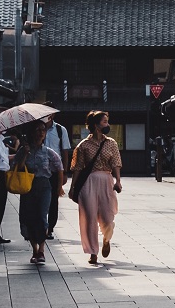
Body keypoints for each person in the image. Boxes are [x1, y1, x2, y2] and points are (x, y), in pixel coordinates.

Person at [70, 111, 122, 266]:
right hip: (88, 182)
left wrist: (118, 181)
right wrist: (73, 187)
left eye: (107, 121)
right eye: (105, 122)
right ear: (95, 125)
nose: (107, 125)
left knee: (107, 217)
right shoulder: (83, 145)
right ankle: (93, 251)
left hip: (106, 180)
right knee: (89, 218)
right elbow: (78, 168)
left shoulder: (111, 143)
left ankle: (106, 238)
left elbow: (116, 163)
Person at [12, 121, 63, 265]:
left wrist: (59, 187)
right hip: (27, 186)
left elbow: (59, 168)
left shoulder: (48, 151)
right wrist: (25, 154)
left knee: (42, 216)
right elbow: (17, 167)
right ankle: (34, 250)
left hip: (44, 185)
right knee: (29, 218)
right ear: (31, 132)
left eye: (43, 130)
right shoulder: (23, 150)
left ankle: (41, 250)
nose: (41, 132)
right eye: (38, 130)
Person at [44, 114, 72, 236]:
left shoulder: (60, 130)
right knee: (39, 199)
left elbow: (65, 150)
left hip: (55, 170)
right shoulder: (38, 128)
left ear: (53, 115)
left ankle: (50, 228)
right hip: (40, 169)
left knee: (53, 199)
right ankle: (40, 225)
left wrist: (65, 172)